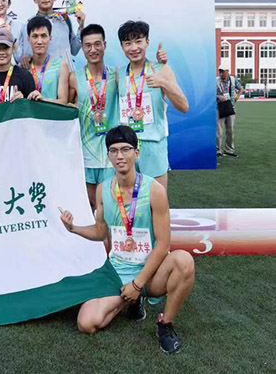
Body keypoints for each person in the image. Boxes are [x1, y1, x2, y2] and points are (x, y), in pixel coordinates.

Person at [58, 125, 195, 354]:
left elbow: (163, 245)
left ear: (136, 153)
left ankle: (165, 324)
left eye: (125, 149)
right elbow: (101, 231)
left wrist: (137, 284)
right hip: (118, 271)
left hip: (151, 273)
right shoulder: (103, 190)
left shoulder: (154, 190)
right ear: (108, 156)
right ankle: (131, 300)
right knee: (86, 323)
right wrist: (73, 228)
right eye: (113, 151)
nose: (119, 156)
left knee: (184, 262)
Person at [117, 21, 188, 189]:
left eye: (138, 41)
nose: (134, 48)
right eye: (128, 43)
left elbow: (183, 106)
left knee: (157, 198)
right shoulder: (118, 74)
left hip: (153, 146)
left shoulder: (161, 70)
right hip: (126, 148)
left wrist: (163, 82)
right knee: (128, 199)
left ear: (147, 42)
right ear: (122, 46)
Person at [69, 24, 119, 209]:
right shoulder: (74, 78)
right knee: (88, 205)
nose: (93, 50)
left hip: (111, 153)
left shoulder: (116, 75)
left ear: (104, 45)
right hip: (85, 153)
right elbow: (67, 108)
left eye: (97, 44)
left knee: (110, 205)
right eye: (88, 45)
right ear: (82, 48)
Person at [21, 0, 86, 68]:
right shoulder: (30, 24)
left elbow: (74, 50)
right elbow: (27, 56)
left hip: (68, 73)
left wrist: (81, 26)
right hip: (44, 74)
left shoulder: (65, 19)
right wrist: (25, 57)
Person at [0, 29, 36, 103]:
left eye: (6, 48)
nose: (1, 52)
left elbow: (32, 107)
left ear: (13, 48)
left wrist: (23, 101)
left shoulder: (25, 76)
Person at [25, 16, 70, 103]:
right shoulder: (23, 67)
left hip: (51, 111)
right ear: (28, 39)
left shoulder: (61, 66)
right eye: (35, 36)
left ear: (50, 38)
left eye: (43, 36)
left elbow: (63, 100)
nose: (39, 41)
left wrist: (43, 101)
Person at [216, 64, 243, 157]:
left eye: (222, 72)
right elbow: (210, 92)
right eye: (220, 71)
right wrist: (218, 96)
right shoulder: (216, 81)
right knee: (218, 131)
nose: (221, 74)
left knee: (230, 130)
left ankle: (229, 150)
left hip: (231, 107)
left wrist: (237, 96)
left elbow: (241, 88)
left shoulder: (233, 79)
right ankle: (218, 151)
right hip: (219, 108)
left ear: (227, 71)